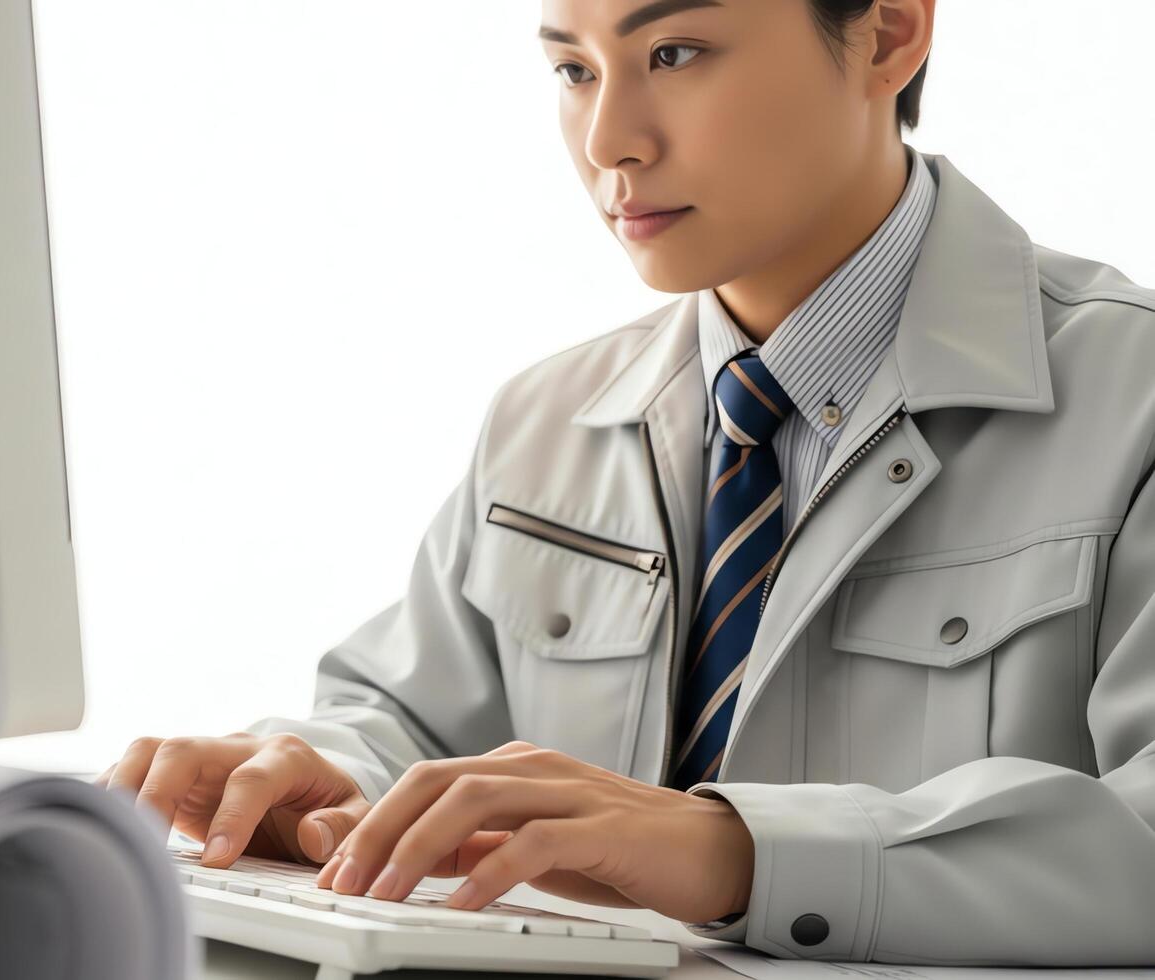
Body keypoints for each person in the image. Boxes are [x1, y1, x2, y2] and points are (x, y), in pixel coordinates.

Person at [96, 0, 1155, 963]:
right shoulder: (545, 419)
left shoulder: (1131, 401)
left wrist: (740, 853)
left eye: (674, 52)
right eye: (573, 71)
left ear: (887, 34)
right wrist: (327, 780)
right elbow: (408, 717)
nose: (610, 142)